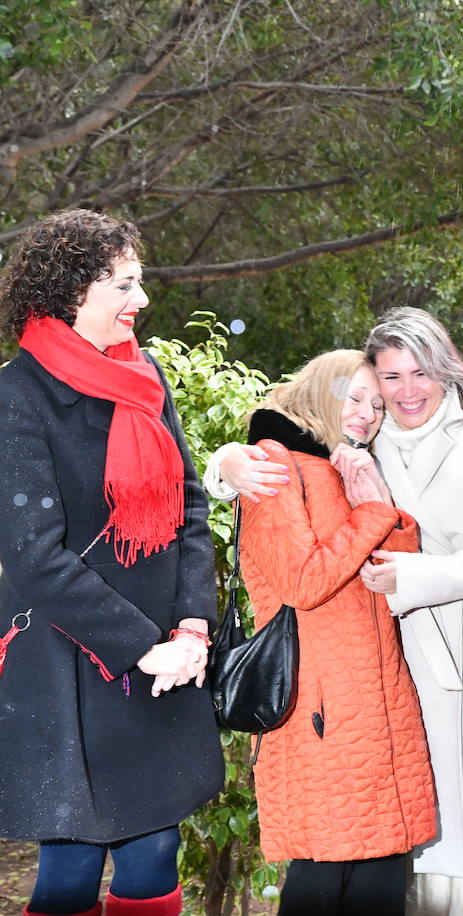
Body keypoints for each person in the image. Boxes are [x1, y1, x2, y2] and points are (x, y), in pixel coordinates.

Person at [210, 308, 463, 916]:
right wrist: (226, 463)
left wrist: (409, 574)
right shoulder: (360, 445)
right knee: (414, 840)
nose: (404, 394)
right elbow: (288, 456)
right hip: (394, 661)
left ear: (447, 371)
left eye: (419, 373)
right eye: (389, 379)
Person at [0, 209, 223, 916]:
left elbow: (188, 504)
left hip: (164, 658)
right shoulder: (17, 397)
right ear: (71, 293)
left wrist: (191, 626)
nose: (142, 299)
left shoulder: (144, 373)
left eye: (140, 280)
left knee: (154, 852)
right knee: (71, 862)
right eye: (123, 284)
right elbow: (35, 559)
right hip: (74, 661)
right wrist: (143, 649)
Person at [236, 350, 436, 914]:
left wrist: (376, 498)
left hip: (379, 695)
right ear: (321, 392)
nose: (367, 414)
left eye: (377, 405)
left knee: (381, 867)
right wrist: (372, 514)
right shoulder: (276, 464)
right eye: (354, 398)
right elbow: (301, 580)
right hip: (319, 700)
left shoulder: (345, 466)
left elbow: (396, 571)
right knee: (327, 866)